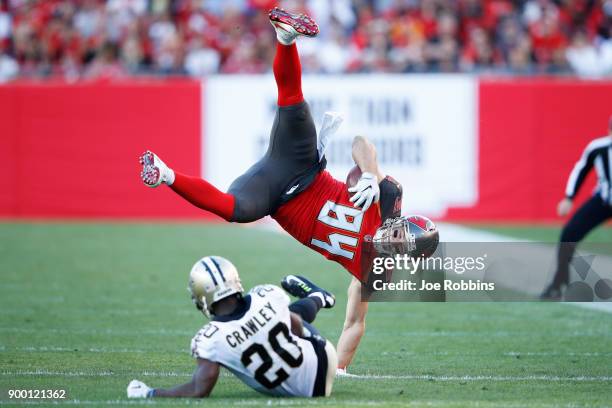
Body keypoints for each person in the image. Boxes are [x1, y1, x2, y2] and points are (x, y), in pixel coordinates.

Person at [139, 7, 438, 373]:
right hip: (301, 166)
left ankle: (166, 174)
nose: (396, 241)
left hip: (277, 200)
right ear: (404, 222)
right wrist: (372, 175)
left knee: (235, 210)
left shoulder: (376, 270)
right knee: (293, 102)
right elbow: (361, 144)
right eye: (403, 234)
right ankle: (286, 38)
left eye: (403, 247)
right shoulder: (388, 196)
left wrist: (339, 369)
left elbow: (355, 323)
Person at [127, 256, 337, 398]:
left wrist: (152, 393)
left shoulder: (210, 338)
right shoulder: (266, 294)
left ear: (202, 294)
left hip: (298, 391)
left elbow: (199, 389)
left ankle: (317, 296)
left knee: (286, 318)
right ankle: (317, 297)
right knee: (288, 316)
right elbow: (297, 326)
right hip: (325, 362)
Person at [541, 116, 612, 299]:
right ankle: (559, 283)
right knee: (569, 234)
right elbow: (581, 169)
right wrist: (569, 197)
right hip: (603, 201)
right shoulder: (598, 148)